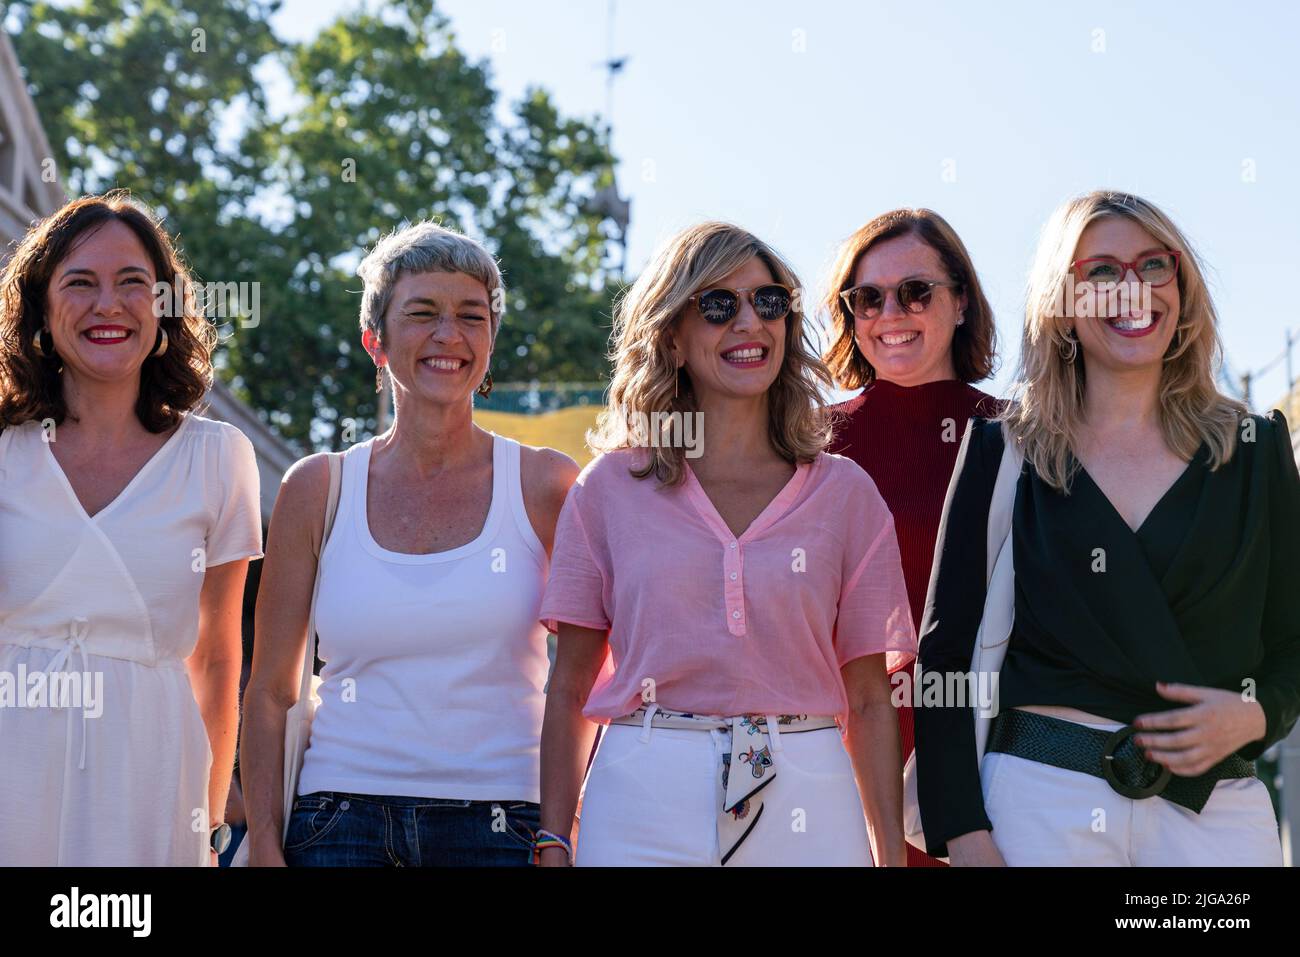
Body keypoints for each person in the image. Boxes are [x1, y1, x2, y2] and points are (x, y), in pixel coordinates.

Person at [915, 190, 1300, 866]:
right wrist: (965, 832)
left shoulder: (1257, 446)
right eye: (1101, 272)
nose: (1133, 289)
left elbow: (1294, 638)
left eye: (1156, 265)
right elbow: (944, 659)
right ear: (1061, 304)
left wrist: (1258, 712)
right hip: (1039, 807)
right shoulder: (1003, 450)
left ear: (1181, 288)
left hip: (1216, 815)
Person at [538, 222, 916, 867]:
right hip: (642, 797)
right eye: (718, 305)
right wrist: (552, 838)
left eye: (769, 302)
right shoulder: (609, 489)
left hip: (811, 797)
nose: (750, 322)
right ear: (673, 339)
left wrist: (888, 854)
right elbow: (569, 687)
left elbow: (869, 699)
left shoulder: (845, 491)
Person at [240, 220, 577, 867]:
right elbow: (272, 689)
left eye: (471, 316)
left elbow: (584, 676)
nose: (448, 335)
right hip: (338, 822)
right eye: (422, 313)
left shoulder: (545, 483)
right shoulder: (317, 487)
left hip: (504, 826)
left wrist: (562, 828)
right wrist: (261, 840)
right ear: (377, 341)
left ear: (490, 341)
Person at [0, 191, 261, 865]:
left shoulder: (218, 458)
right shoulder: (3, 450)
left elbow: (216, 659)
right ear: (39, 305)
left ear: (165, 304)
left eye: (132, 284)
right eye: (79, 283)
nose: (107, 304)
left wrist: (204, 829)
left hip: (151, 783)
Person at [823, 208, 1001, 866]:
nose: (890, 312)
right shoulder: (802, 444)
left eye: (916, 291)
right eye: (868, 297)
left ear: (960, 302)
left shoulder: (1028, 437)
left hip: (996, 760)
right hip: (835, 770)